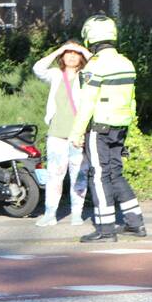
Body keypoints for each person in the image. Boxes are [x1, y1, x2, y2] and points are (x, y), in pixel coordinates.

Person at [68, 14, 146, 243]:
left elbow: (87, 103)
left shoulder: (95, 66)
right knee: (116, 173)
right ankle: (135, 223)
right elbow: (131, 99)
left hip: (99, 126)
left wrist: (76, 132)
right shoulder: (126, 62)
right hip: (120, 125)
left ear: (89, 36)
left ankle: (105, 229)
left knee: (99, 175)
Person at [32, 41, 91, 227]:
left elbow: (99, 69)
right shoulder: (56, 75)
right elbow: (38, 68)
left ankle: (76, 214)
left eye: (76, 53)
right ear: (62, 57)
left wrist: (84, 50)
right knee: (54, 175)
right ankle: (50, 214)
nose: (72, 56)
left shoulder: (85, 76)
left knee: (79, 176)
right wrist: (59, 49)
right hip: (56, 133)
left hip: (78, 134)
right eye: (68, 53)